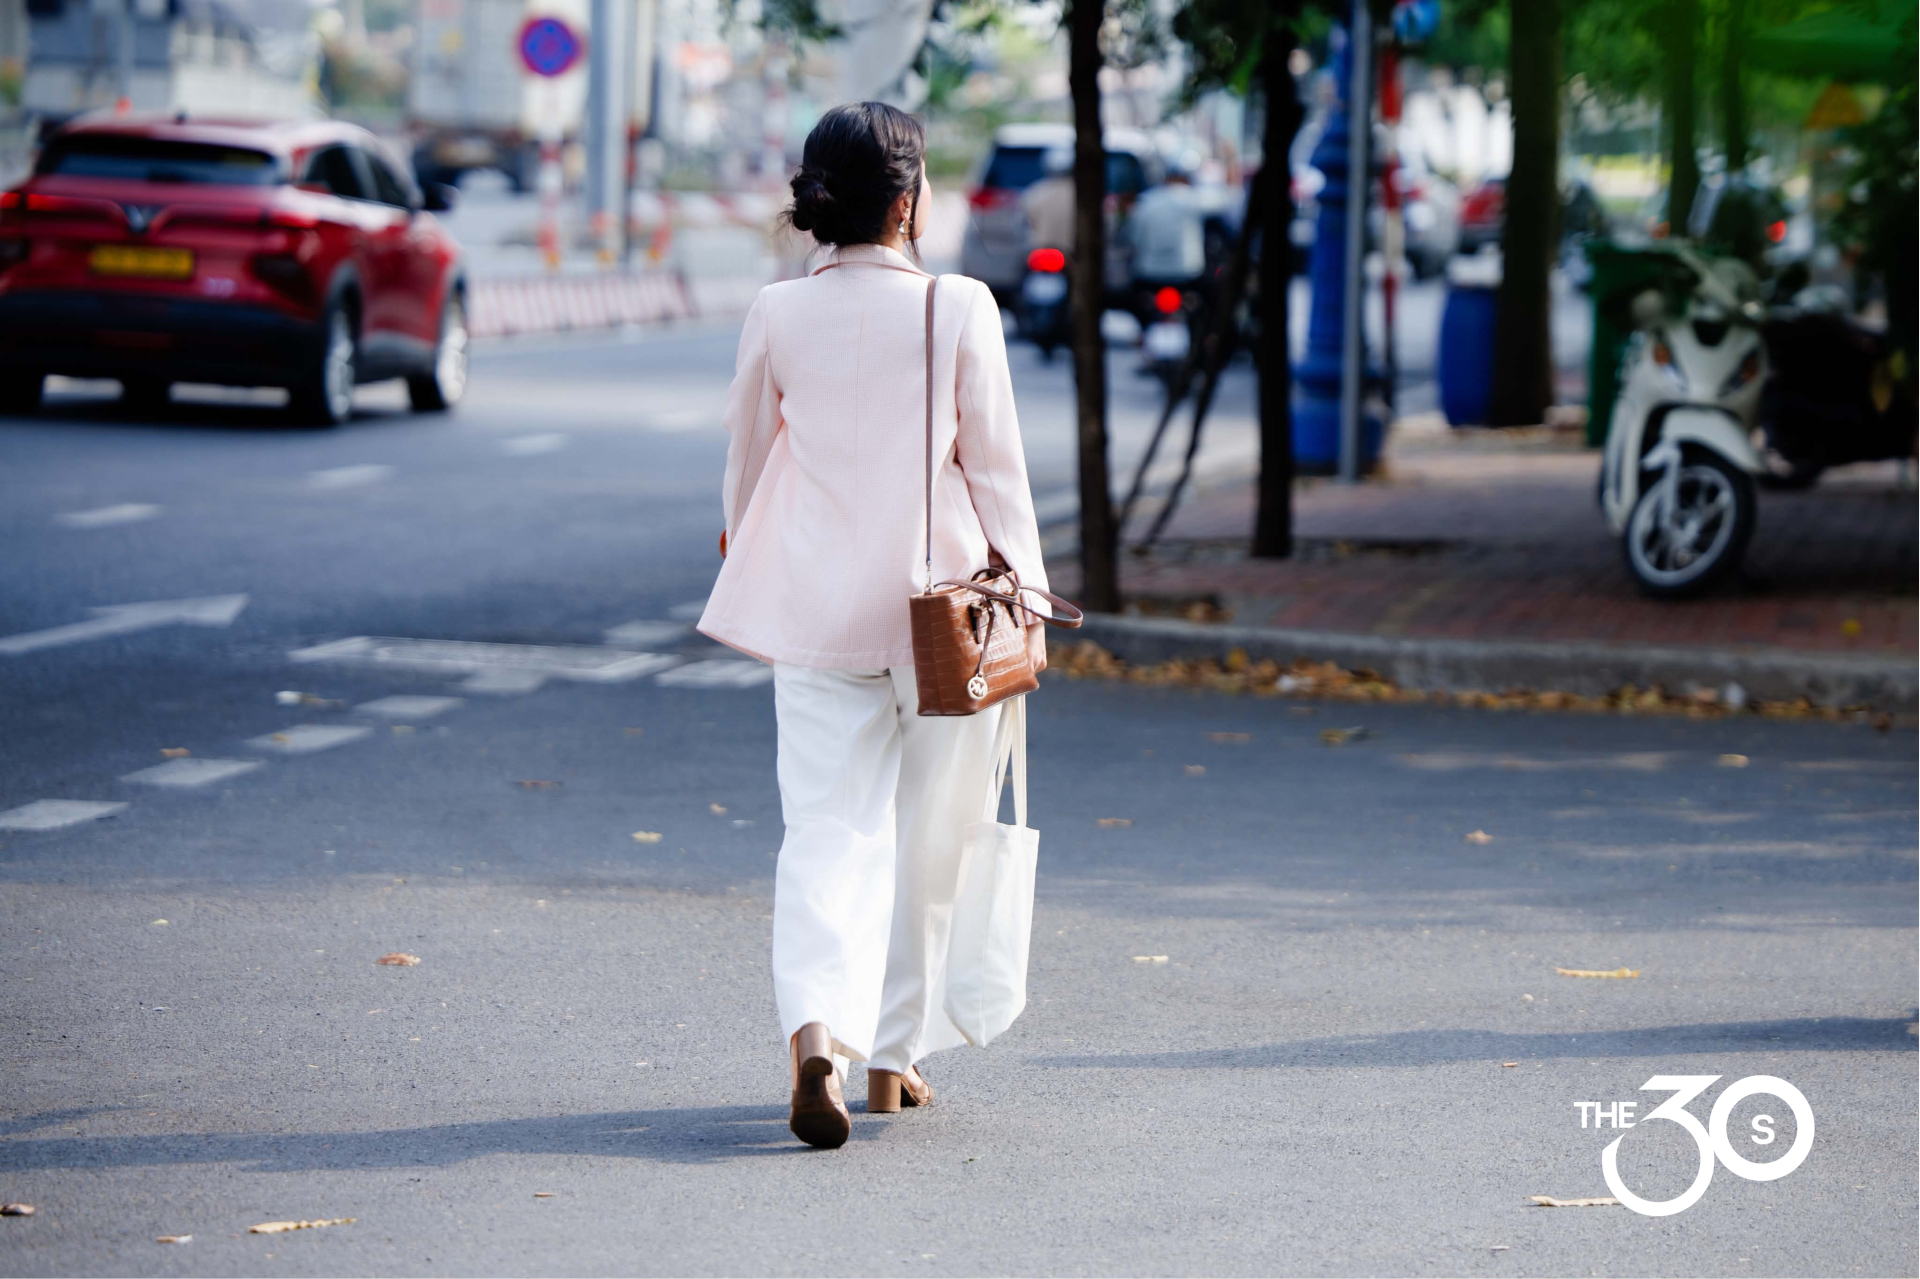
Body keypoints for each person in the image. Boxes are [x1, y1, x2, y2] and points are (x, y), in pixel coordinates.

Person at [696, 101, 1052, 1150]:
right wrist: (1029, 598)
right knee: (933, 838)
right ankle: (895, 1057)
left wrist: (746, 548)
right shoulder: (959, 305)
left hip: (816, 614)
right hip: (945, 617)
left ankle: (817, 1035)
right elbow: (997, 473)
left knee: (823, 831)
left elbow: (746, 467)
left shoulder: (777, 312)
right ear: (907, 204)